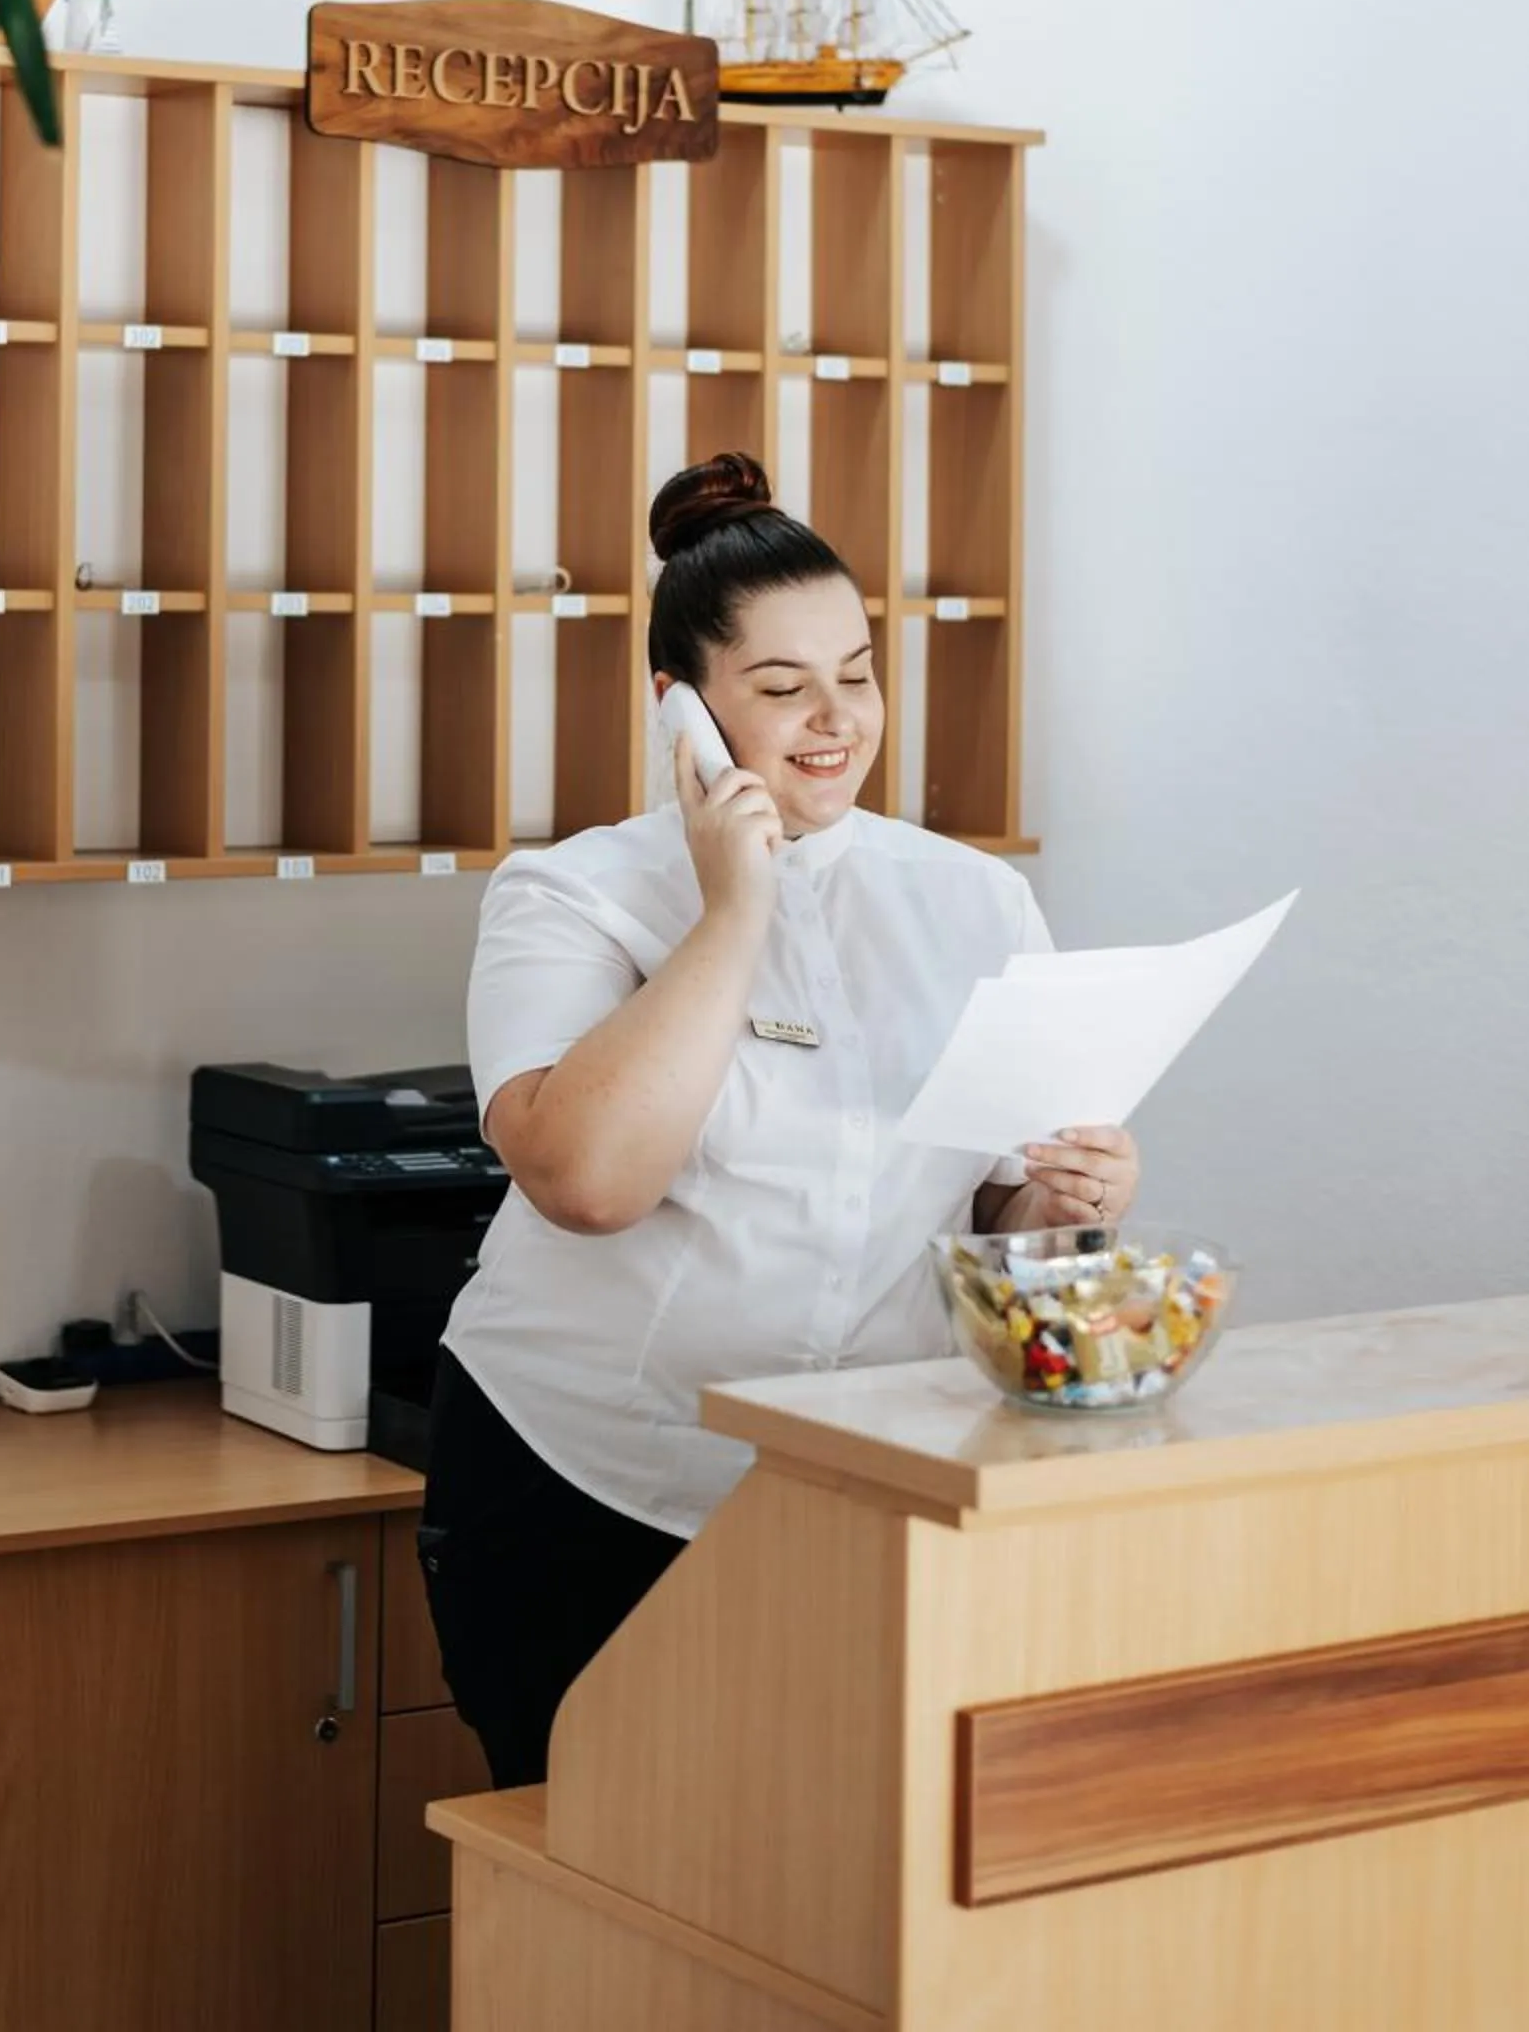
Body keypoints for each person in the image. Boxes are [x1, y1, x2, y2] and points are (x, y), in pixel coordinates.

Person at [419, 451, 1139, 1789]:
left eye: (856, 674)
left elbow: (984, 1206)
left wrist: (1049, 1203)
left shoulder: (976, 903)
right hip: (587, 1489)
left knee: (813, 1873)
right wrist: (735, 905)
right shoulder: (569, 898)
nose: (835, 720)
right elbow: (587, 1182)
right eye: (780, 685)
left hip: (855, 1487)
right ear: (679, 707)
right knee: (594, 1874)